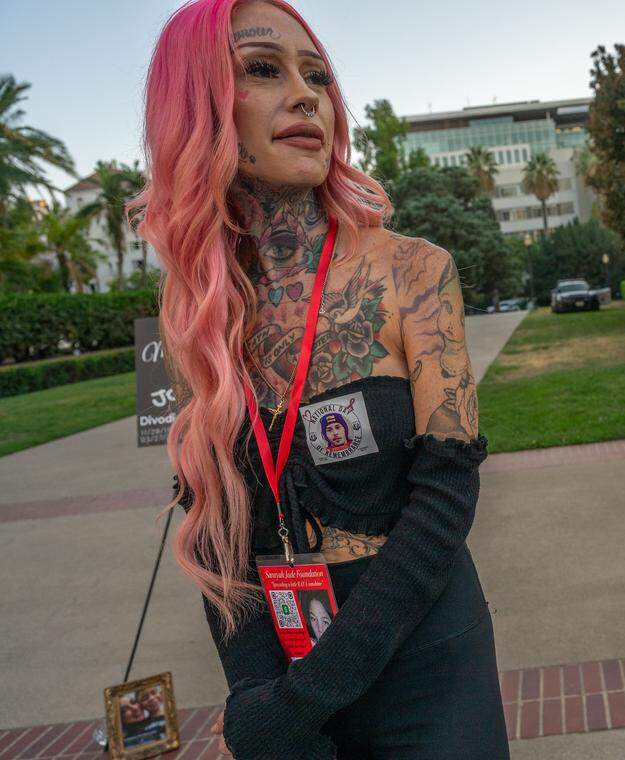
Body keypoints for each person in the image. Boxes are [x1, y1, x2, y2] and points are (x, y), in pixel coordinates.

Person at [133, 1, 508, 757]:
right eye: (263, 71)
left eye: (319, 77)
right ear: (198, 107)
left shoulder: (415, 271)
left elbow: (446, 496)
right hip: (280, 663)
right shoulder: (191, 316)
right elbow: (212, 524)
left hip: (425, 661)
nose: (308, 96)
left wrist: (306, 697)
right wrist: (254, 695)